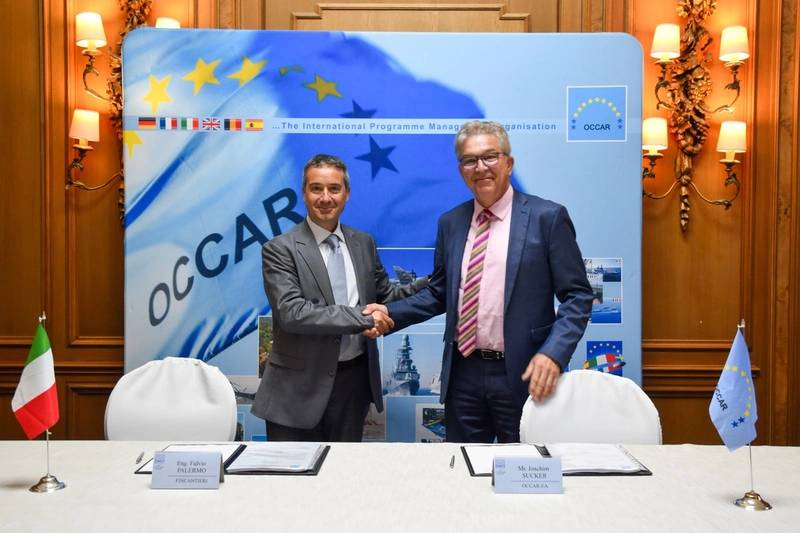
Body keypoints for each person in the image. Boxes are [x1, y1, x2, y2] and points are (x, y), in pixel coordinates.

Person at [366, 121, 593, 443]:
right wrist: (390, 313)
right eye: (470, 160)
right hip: (463, 375)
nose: (481, 167)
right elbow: (439, 293)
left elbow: (578, 296)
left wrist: (553, 354)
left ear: (508, 163)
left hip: (524, 371)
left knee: (526, 466)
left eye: (490, 156)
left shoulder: (547, 218)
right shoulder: (451, 223)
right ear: (461, 170)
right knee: (464, 465)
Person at [251, 154, 426, 442]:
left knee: (344, 468)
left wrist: (433, 282)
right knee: (293, 472)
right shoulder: (279, 249)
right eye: (316, 188)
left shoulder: (363, 243)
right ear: (304, 193)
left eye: (334, 188)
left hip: (353, 384)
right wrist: (364, 318)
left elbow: (386, 294)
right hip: (297, 389)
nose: (325, 197)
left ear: (347, 193)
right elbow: (293, 313)